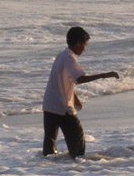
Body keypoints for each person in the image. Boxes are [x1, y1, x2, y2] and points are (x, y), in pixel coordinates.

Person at [42, 26, 119, 158]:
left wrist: (75, 99)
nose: (85, 48)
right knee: (77, 141)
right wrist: (105, 75)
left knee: (49, 145)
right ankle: (78, 168)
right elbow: (80, 78)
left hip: (49, 105)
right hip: (62, 107)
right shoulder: (69, 58)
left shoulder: (61, 55)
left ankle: (46, 168)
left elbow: (64, 81)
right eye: (85, 44)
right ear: (78, 43)